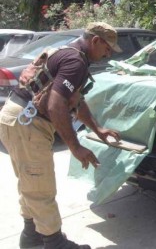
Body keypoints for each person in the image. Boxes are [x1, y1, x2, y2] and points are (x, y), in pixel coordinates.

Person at [0, 22, 122, 249]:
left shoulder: (67, 52)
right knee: (40, 187)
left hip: (15, 119)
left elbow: (75, 99)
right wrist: (75, 147)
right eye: (107, 48)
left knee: (30, 182)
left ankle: (31, 237)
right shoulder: (75, 61)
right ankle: (55, 243)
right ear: (95, 40)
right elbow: (57, 104)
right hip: (28, 124)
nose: (107, 54)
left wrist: (98, 129)